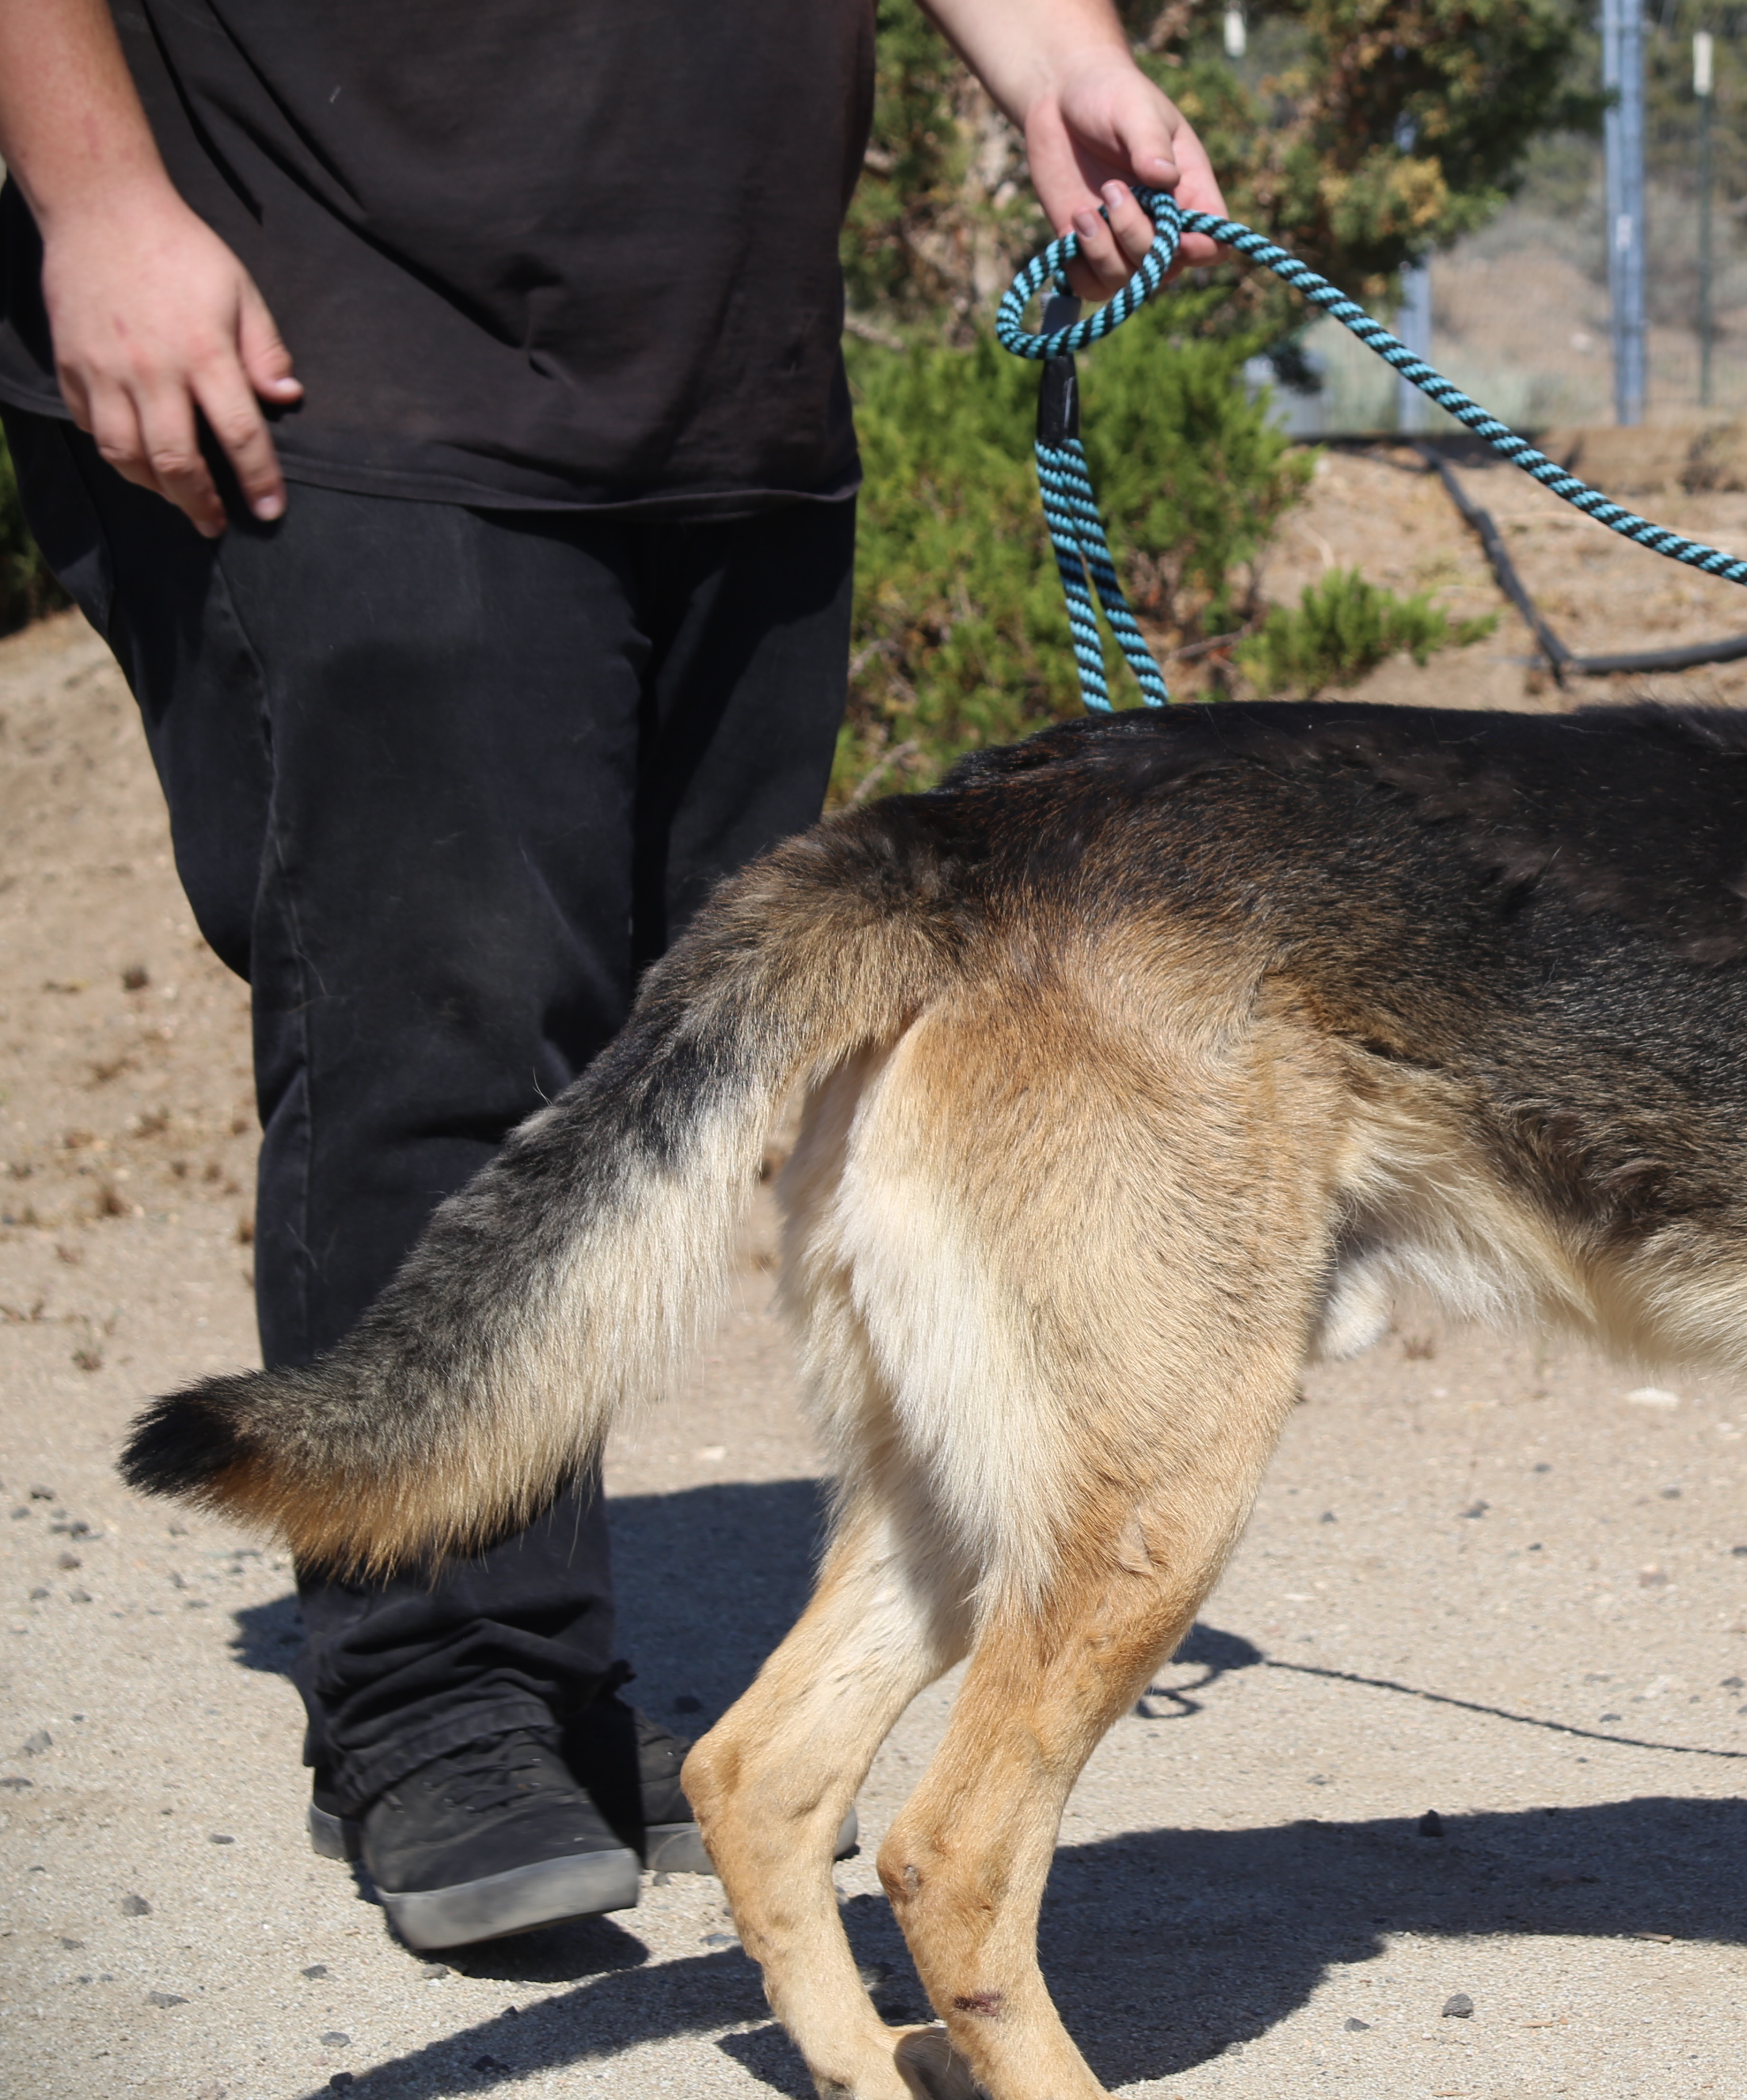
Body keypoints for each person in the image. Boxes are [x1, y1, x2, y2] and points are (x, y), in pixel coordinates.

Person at [0, 0, 1223, 1951]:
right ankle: (438, 1688)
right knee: (441, 1020)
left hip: (719, 379)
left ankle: (544, 1673)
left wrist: (1053, 53)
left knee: (652, 1070)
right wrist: (98, 194)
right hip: (325, 333)